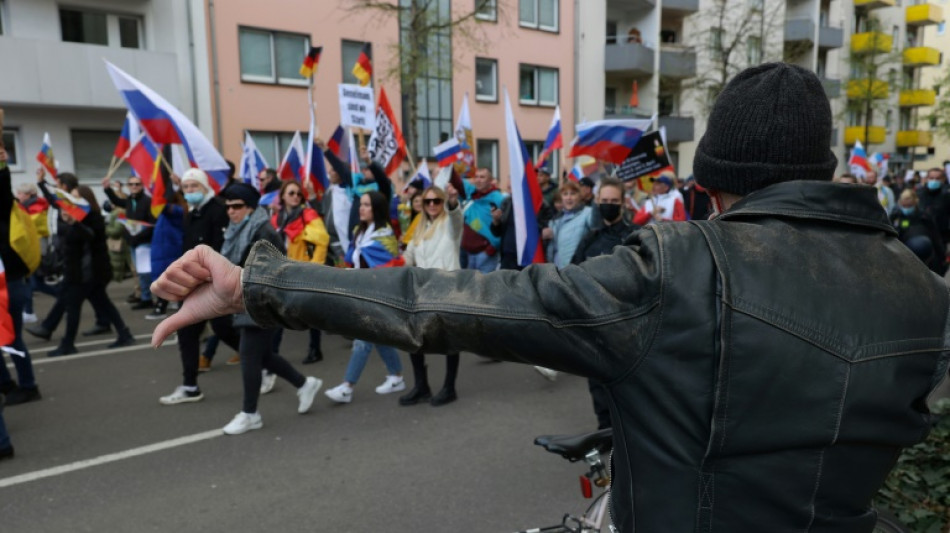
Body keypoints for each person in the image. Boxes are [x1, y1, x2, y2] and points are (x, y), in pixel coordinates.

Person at [151, 63, 950, 532]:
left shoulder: (680, 266)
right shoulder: (919, 289)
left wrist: (255, 281)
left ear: (708, 189)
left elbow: (450, 301)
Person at [217, 183, 321, 435]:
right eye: (228, 207)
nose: (231, 211)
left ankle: (250, 414)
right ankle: (304, 384)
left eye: (237, 206)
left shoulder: (262, 231)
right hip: (246, 300)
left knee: (249, 355)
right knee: (262, 356)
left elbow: (276, 270)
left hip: (262, 302)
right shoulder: (237, 230)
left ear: (251, 208)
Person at [159, 168, 240, 400]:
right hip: (193, 284)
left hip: (212, 283)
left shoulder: (217, 210)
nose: (190, 190)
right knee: (187, 332)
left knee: (224, 329)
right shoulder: (192, 212)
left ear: (205, 187)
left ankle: (265, 363)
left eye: (194, 186)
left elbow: (220, 250)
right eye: (186, 187)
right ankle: (190, 386)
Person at [570, 177, 640, 429]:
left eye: (614, 201)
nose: (609, 204)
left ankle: (628, 436)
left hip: (626, 326)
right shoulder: (590, 238)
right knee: (598, 386)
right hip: (594, 324)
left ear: (623, 202)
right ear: (597, 201)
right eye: (605, 200)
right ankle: (605, 435)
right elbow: (572, 274)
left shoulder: (635, 237)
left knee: (627, 389)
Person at [35, 182, 135, 356]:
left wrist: (74, 223)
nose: (73, 200)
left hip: (85, 272)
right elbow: (55, 201)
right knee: (103, 303)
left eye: (76, 197)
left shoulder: (92, 217)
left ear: (86, 199)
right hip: (82, 270)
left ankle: (68, 344)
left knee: (73, 306)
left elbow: (89, 236)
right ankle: (124, 334)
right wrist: (42, 184)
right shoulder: (76, 215)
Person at [324, 191, 405, 404]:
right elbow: (354, 261)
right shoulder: (359, 232)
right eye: (361, 204)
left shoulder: (385, 236)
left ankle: (347, 387)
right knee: (379, 337)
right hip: (362, 292)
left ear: (377, 209)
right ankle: (396, 376)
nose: (361, 208)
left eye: (367, 205)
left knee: (362, 340)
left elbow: (389, 267)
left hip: (378, 294)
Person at [399, 184, 463, 406]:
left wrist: (453, 203)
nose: (433, 205)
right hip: (422, 291)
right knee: (413, 337)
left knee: (449, 339)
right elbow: (408, 256)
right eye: (428, 201)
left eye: (437, 200)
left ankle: (449, 387)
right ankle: (421, 386)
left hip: (447, 290)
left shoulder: (450, 224)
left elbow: (456, 218)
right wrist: (392, 261)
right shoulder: (419, 227)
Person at [270, 180, 329, 364]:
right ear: (282, 196)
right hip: (283, 272)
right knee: (279, 312)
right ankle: (273, 353)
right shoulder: (276, 219)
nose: (296, 196)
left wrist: (313, 269)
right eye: (291, 193)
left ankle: (315, 349)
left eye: (298, 193)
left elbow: (322, 241)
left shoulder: (308, 214)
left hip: (304, 271)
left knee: (310, 313)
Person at [0, 148, 41, 405]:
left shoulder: (5, 212)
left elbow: (2, 190)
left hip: (11, 283)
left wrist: (1, 166)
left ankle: (28, 386)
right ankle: (5, 384)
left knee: (13, 337)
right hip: (11, 282)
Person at [103, 173, 154, 310]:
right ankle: (145, 296)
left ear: (142, 186)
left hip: (144, 242)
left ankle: (148, 298)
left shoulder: (148, 201)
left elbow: (152, 223)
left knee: (144, 272)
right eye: (131, 184)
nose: (134, 186)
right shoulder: (129, 200)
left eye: (137, 184)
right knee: (138, 271)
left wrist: (139, 235)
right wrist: (107, 188)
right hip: (132, 242)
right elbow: (116, 200)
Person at [146, 168, 185, 320]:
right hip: (162, 250)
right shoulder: (172, 210)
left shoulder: (177, 210)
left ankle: (161, 307)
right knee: (166, 279)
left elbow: (161, 204)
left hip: (170, 250)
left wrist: (157, 187)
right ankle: (164, 304)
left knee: (169, 279)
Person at [460, 167, 506, 273]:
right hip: (468, 253)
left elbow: (505, 226)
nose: (478, 180)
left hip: (486, 254)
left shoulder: (498, 198)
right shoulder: (472, 194)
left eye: (482, 177)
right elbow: (457, 182)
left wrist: (492, 248)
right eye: (476, 177)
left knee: (485, 284)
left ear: (490, 180)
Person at [891, 189, 947, 275]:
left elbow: (936, 238)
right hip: (903, 257)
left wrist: (942, 256)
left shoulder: (924, 217)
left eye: (909, 206)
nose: (906, 208)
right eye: (904, 206)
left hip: (926, 258)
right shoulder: (896, 217)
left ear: (915, 203)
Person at [15, 182, 49, 324]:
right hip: (33, 245)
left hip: (36, 246)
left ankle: (29, 312)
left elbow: (27, 225)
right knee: (32, 282)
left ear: (28, 195)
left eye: (20, 193)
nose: (18, 196)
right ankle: (28, 311)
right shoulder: (28, 207)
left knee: (34, 282)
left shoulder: (36, 207)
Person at [543, 180, 596, 269]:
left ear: (579, 196)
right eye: (565, 194)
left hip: (576, 270)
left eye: (573, 194)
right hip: (556, 270)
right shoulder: (555, 220)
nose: (569, 198)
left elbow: (597, 231)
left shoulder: (588, 213)